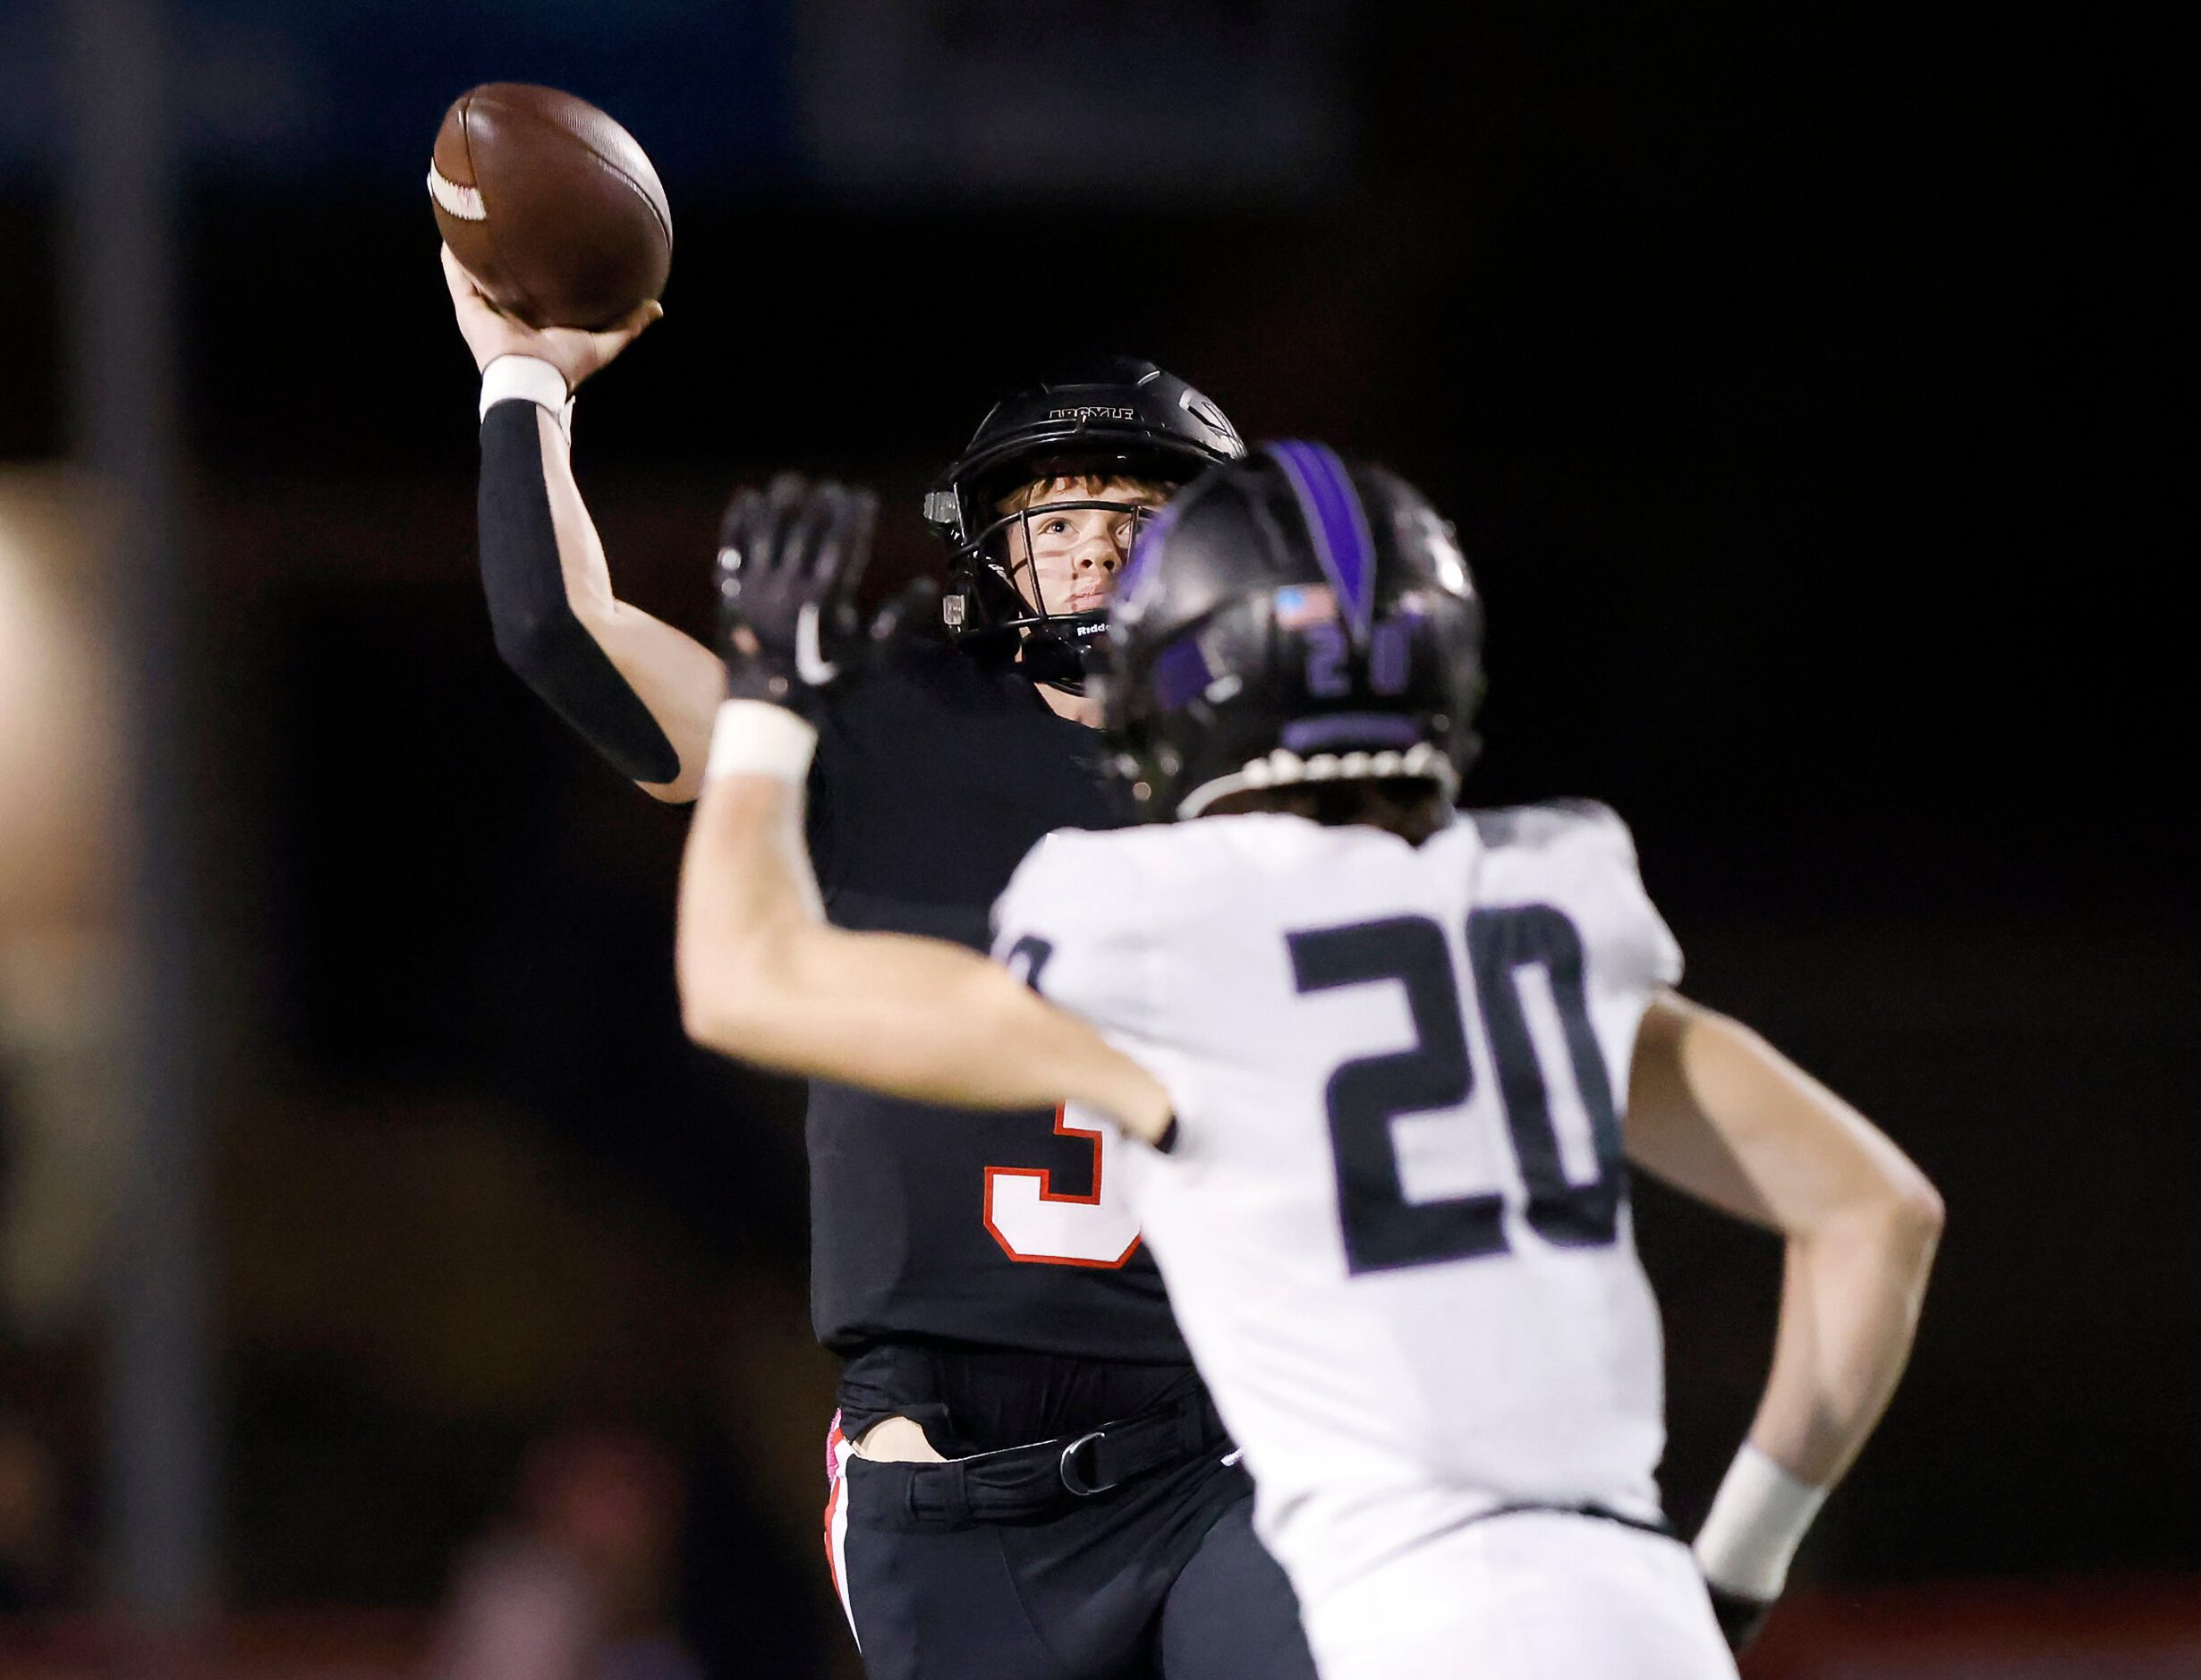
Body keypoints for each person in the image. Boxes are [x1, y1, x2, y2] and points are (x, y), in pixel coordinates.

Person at [673, 446, 1945, 1679]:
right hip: (1635, 1617)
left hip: (1392, 1623)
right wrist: (1733, 1571)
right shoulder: (1553, 898)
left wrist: (769, 710)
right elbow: (1880, 1209)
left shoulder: (1155, 920)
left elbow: (744, 981)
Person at [439, 248, 1321, 1680]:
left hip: (1225, 1437)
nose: (1092, 544)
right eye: (1052, 513)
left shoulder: (1292, 777)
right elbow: (562, 633)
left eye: (1133, 510)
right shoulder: (876, 719)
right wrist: (522, 377)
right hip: (957, 1472)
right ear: (992, 547)